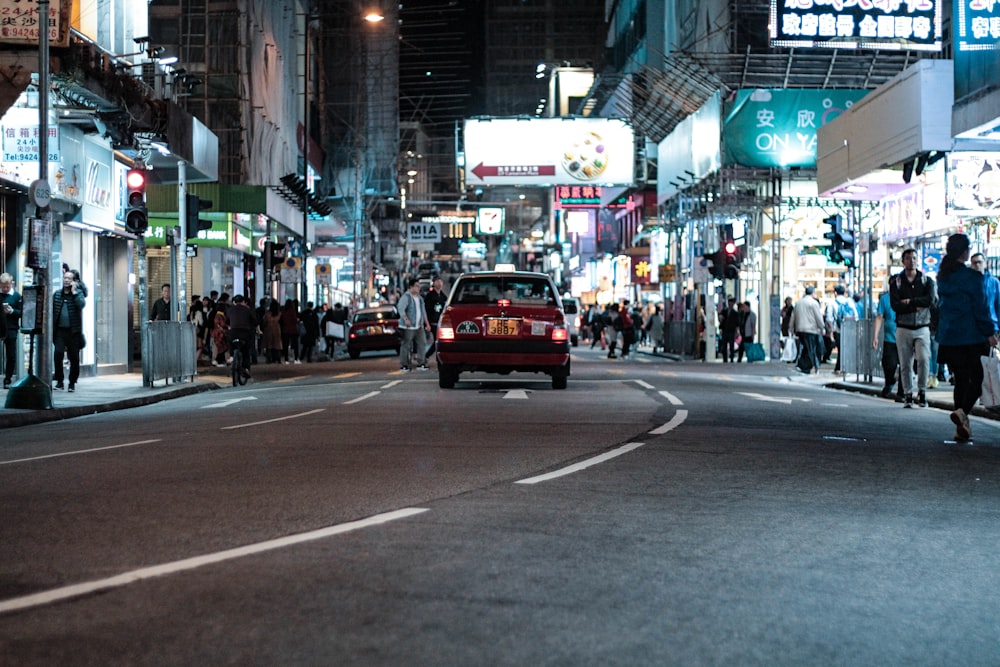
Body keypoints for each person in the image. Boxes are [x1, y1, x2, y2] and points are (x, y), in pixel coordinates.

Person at [935, 234, 998, 442]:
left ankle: (962, 426)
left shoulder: (943, 276)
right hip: (971, 336)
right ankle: (962, 413)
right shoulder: (973, 278)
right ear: (965, 252)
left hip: (949, 336)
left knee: (960, 380)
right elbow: (981, 309)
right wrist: (990, 332)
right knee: (977, 380)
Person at [890, 248, 937, 408]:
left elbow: (929, 300)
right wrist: (916, 304)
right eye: (908, 258)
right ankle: (908, 394)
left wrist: (909, 301)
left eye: (914, 258)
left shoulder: (927, 281)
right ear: (903, 261)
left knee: (924, 359)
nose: (912, 261)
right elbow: (895, 305)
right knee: (905, 363)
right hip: (903, 327)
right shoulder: (896, 281)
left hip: (923, 327)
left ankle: (922, 392)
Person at [52, 270, 86, 392]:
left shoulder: (78, 294)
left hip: (73, 331)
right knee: (58, 355)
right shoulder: (57, 294)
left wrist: (74, 292)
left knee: (74, 358)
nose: (66, 280)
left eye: (69, 279)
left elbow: (81, 305)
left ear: (74, 281)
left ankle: (72, 382)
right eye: (65, 278)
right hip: (60, 331)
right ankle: (59, 381)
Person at [872, 284, 902, 400]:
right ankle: (890, 382)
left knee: (904, 366)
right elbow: (879, 317)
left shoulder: (906, 297)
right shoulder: (885, 299)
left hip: (905, 338)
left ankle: (902, 393)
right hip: (889, 339)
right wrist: (875, 337)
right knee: (889, 364)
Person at [396, 277, 430, 371]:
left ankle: (421, 363)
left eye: (419, 286)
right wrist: (406, 319)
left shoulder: (420, 299)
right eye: (416, 286)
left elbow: (423, 312)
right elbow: (401, 309)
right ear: (411, 287)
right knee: (406, 345)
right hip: (408, 327)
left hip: (419, 326)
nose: (418, 288)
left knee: (422, 343)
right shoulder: (406, 297)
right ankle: (404, 364)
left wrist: (427, 324)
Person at [790, 286, 824, 374]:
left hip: (800, 329)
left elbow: (793, 317)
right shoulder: (813, 303)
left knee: (805, 347)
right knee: (810, 349)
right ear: (813, 293)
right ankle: (806, 366)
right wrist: (822, 326)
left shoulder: (798, 303)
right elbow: (818, 317)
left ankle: (802, 365)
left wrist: (791, 328)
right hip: (811, 329)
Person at [827, 284, 858, 373]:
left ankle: (839, 368)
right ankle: (846, 367)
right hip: (849, 329)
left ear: (835, 293)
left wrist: (831, 330)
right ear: (844, 292)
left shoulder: (832, 303)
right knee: (847, 348)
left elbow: (829, 318)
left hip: (838, 329)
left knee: (841, 349)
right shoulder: (850, 302)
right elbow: (856, 316)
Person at [226, 295, 258, 374]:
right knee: (246, 350)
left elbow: (227, 321)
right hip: (245, 333)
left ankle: (232, 356)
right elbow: (255, 321)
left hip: (233, 332)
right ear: (243, 302)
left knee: (230, 341)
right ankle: (246, 368)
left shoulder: (230, 310)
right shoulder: (247, 310)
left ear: (234, 302)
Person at [1, 273, 22, 389]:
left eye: (7, 287)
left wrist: (12, 311)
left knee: (11, 355)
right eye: (2, 287)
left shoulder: (16, 296)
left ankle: (8, 379)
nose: (4, 289)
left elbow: (22, 313)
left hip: (11, 328)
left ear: (11, 284)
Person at [423, 276, 448, 357]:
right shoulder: (429, 296)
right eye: (437, 281)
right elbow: (426, 310)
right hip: (432, 322)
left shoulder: (443, 296)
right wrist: (427, 323)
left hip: (440, 321)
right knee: (437, 340)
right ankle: (426, 356)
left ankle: (432, 356)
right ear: (433, 283)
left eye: (440, 281)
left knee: (439, 341)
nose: (439, 283)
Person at [211, 292, 231, 366]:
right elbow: (222, 324)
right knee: (222, 347)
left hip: (219, 333)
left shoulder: (218, 314)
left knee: (221, 348)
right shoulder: (220, 315)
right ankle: (218, 360)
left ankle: (220, 360)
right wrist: (227, 327)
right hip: (220, 334)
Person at [279, 298, 301, 364]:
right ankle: (296, 359)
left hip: (285, 330)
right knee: (295, 345)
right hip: (293, 330)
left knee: (285, 345)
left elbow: (281, 320)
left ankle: (286, 359)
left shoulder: (283, 311)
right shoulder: (292, 311)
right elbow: (295, 320)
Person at [719, 297, 740, 363]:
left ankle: (731, 358)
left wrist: (737, 331)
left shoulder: (735, 313)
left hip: (731, 330)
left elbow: (737, 323)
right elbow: (721, 320)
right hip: (725, 330)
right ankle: (725, 359)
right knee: (724, 345)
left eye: (731, 303)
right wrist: (721, 328)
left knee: (731, 345)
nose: (730, 304)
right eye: (729, 303)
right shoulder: (724, 311)